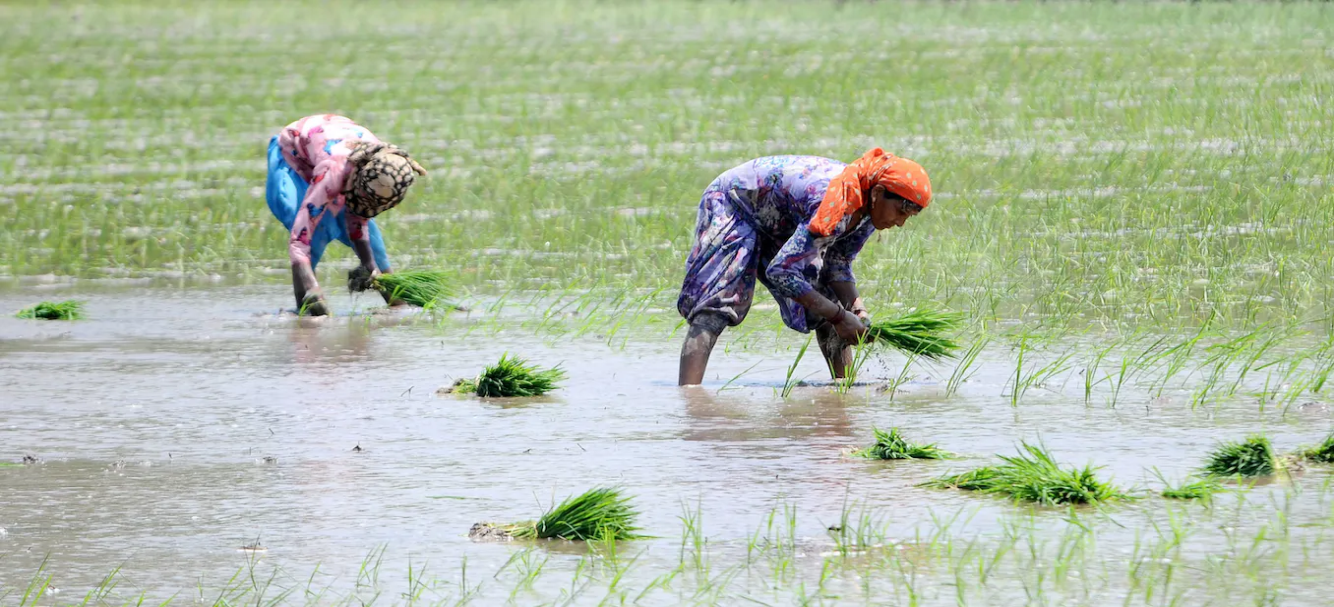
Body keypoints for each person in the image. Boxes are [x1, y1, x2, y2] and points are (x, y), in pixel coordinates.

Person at [676, 148, 933, 386]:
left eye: (907, 217)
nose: (899, 223)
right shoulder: (835, 202)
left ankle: (843, 387)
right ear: (877, 194)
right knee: (716, 307)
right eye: (900, 211)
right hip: (734, 202)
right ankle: (690, 398)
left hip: (780, 215)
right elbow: (781, 271)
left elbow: (838, 264)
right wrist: (840, 317)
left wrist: (857, 309)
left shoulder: (867, 213)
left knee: (827, 297)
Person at [265, 114, 427, 315]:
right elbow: (299, 241)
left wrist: (370, 267)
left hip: (335, 156)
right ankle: (305, 305)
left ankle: (397, 300)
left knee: (374, 245)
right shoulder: (333, 172)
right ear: (358, 182)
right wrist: (312, 289)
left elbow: (358, 219)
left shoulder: (381, 161)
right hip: (293, 158)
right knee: (316, 234)